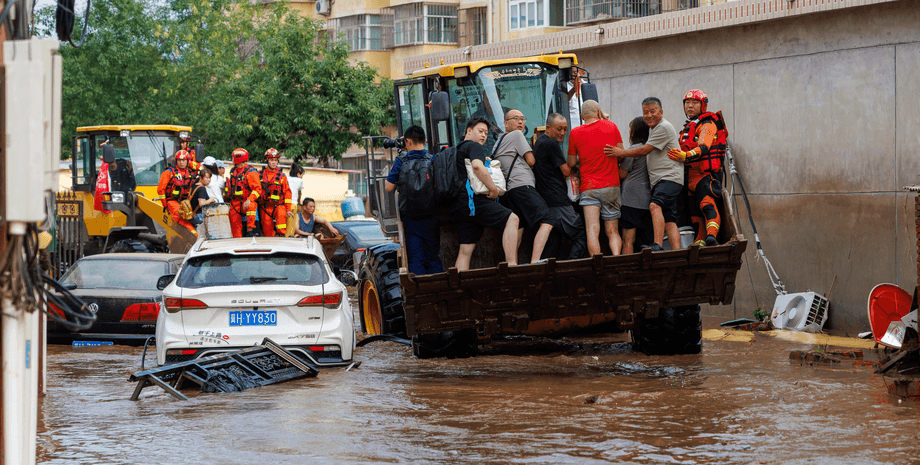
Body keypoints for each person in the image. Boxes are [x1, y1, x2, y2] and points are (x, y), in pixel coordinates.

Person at [606, 97, 683, 251]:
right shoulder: (654, 130)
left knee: (654, 207)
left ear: (661, 112)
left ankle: (657, 245)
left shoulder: (662, 128)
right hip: (662, 183)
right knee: (669, 219)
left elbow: (643, 151)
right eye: (645, 112)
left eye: (652, 111)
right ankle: (677, 253)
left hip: (664, 180)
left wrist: (620, 153)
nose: (649, 115)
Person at [451, 116, 521, 271]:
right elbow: (477, 167)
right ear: (469, 131)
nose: (484, 135)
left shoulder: (457, 149)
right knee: (513, 219)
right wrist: (493, 189)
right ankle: (512, 266)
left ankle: (458, 287)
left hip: (461, 205)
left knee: (465, 250)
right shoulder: (473, 147)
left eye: (486, 133)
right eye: (480, 131)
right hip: (474, 201)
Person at [668, 89, 729, 247]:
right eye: (687, 102)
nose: (690, 106)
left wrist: (685, 156)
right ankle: (700, 240)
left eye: (695, 102)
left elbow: (704, 147)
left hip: (705, 175)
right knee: (694, 213)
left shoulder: (708, 124)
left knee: (706, 205)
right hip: (689, 177)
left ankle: (711, 236)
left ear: (703, 105)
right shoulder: (687, 128)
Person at [494, 109, 555, 264]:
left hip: (509, 191)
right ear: (506, 123)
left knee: (517, 228)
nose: (520, 122)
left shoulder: (498, 141)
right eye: (515, 119)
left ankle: (512, 265)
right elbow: (531, 161)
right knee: (548, 219)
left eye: (522, 118)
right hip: (522, 186)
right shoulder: (516, 135)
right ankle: (535, 261)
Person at [566, 100, 624, 256]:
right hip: (611, 185)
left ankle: (597, 263)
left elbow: (571, 162)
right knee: (612, 230)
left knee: (592, 229)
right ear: (599, 112)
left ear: (581, 116)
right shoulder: (611, 126)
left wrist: (583, 158)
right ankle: (617, 257)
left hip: (589, 187)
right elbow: (621, 154)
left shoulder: (575, 132)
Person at [384, 125, 443, 275]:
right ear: (426, 141)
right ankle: (438, 290)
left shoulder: (400, 161)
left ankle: (421, 294)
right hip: (432, 217)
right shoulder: (434, 159)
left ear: (407, 141)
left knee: (416, 260)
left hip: (411, 220)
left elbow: (388, 187)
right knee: (433, 258)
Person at [532, 113, 588, 260]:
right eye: (559, 129)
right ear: (548, 128)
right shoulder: (551, 144)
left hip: (545, 198)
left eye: (565, 129)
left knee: (554, 239)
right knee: (581, 235)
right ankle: (572, 267)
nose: (563, 133)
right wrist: (578, 163)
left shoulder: (539, 142)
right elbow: (566, 171)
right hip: (558, 199)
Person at [618, 117, 654, 254]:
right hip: (647, 200)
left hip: (630, 200)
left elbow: (622, 174)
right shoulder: (651, 150)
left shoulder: (633, 150)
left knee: (628, 241)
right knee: (646, 243)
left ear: (633, 132)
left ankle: (626, 272)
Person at [224, 148, 262, 238]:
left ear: (238, 158)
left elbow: (257, 190)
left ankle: (250, 230)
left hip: (246, 201)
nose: (232, 160)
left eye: (233, 158)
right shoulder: (234, 171)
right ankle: (237, 240)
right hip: (235, 202)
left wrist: (249, 200)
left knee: (251, 206)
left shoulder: (251, 172)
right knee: (234, 222)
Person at [156, 149, 196, 234]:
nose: (181, 162)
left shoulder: (190, 173)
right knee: (180, 217)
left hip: (185, 201)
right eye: (179, 160)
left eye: (183, 160)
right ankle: (193, 234)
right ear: (176, 161)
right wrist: (165, 204)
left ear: (187, 161)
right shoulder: (169, 172)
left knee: (191, 216)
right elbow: (160, 189)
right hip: (172, 201)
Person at [258, 148, 294, 237]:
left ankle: (281, 237)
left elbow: (287, 193)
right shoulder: (259, 174)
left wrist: (288, 209)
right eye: (271, 160)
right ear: (267, 161)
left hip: (279, 206)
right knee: (267, 233)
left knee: (281, 220)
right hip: (265, 207)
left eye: (275, 160)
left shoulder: (282, 176)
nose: (274, 162)